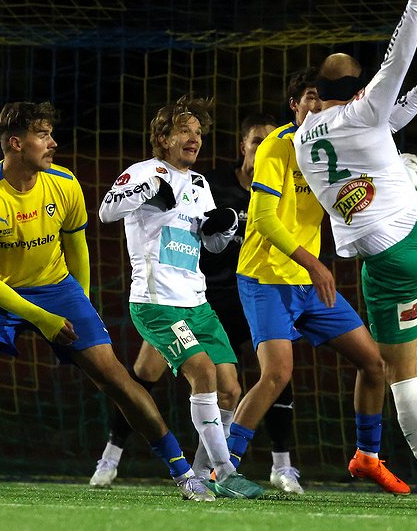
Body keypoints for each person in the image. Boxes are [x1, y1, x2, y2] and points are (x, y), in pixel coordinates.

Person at [0, 101, 211, 501]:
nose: (53, 142)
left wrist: (84, 303)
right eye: (43, 135)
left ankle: (184, 474)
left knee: (117, 379)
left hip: (58, 288)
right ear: (16, 143)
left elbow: (78, 248)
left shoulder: (64, 183)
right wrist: (43, 320)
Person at [290, 0, 417, 512]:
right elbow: (399, 56)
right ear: (359, 87)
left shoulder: (301, 137)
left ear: (316, 90)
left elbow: (380, 121)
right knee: (405, 165)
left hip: (381, 261)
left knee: (398, 375)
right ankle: (416, 182)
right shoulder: (366, 109)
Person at [227, 66, 417, 499]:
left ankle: (367, 457)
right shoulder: (277, 146)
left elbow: (385, 119)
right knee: (276, 375)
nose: (316, 104)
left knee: (374, 364)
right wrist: (318, 265)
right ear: (295, 105)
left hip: (307, 282)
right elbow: (265, 219)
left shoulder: (335, 141)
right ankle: (222, 468)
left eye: (321, 97)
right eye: (308, 96)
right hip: (266, 278)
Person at [89, 113, 295, 491]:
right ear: (164, 137)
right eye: (185, 131)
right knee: (201, 372)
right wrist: (149, 188)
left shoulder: (200, 183)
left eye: (199, 132)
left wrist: (224, 227)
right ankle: (225, 472)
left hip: (197, 303)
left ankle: (202, 477)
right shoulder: (143, 172)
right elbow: (105, 212)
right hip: (157, 301)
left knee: (230, 388)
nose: (194, 138)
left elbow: (209, 242)